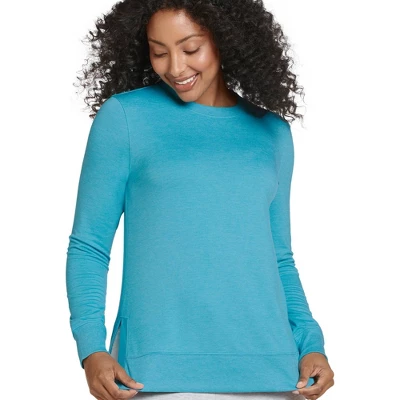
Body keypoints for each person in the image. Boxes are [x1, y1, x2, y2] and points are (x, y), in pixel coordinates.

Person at [65, 1, 335, 400]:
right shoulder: (125, 118)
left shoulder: (272, 132)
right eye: (159, 52)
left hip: (273, 373)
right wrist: (91, 350)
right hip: (152, 375)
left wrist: (311, 343)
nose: (175, 67)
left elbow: (278, 258)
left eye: (191, 48)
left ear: (225, 39)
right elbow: (89, 246)